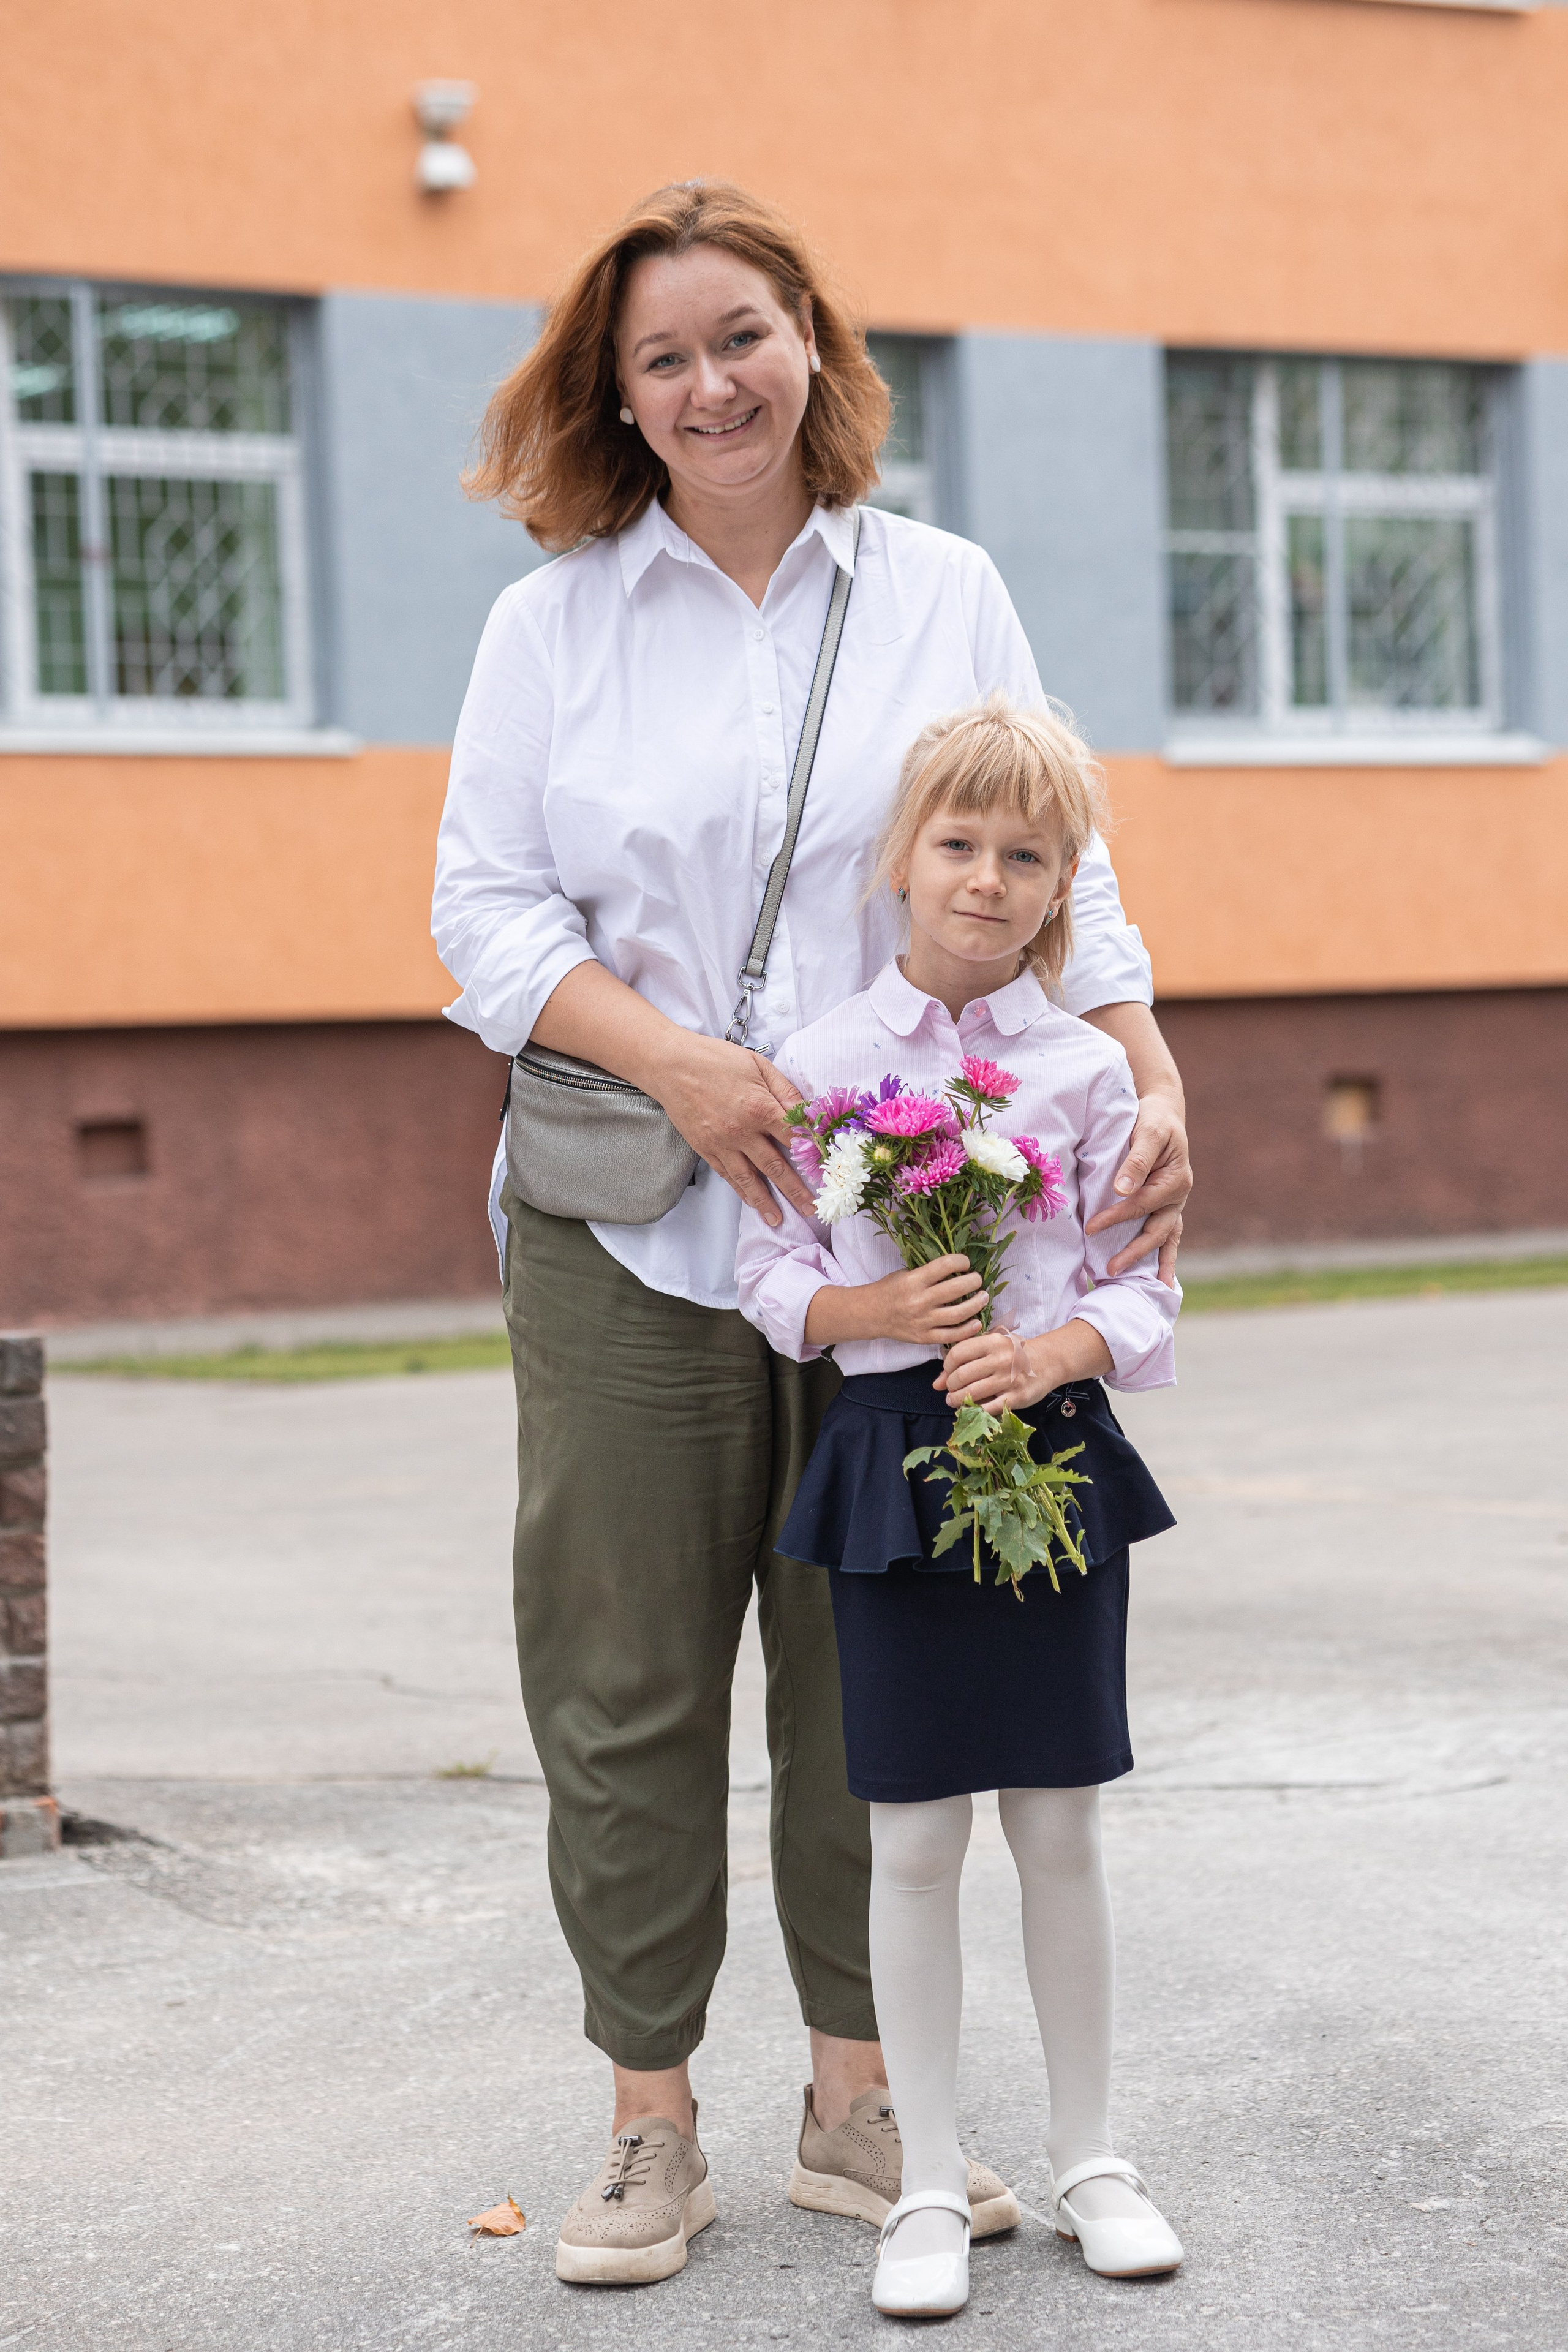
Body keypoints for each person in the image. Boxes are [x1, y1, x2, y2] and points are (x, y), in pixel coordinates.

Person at [431, 179, 1192, 2287]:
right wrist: (679, 1062)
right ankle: (647, 2123)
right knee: (626, 1678)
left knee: (877, 1671)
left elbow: (1067, 860)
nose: (708, 383)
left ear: (814, 346)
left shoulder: (942, 588)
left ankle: (867, 2110)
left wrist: (1152, 1067)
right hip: (641, 1236)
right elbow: (484, 919)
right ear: (620, 393)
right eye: (661, 355)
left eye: (741, 335)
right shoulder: (554, 621)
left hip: (922, 1235)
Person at [736, 697, 1185, 2318]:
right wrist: (876, 1316)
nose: (987, 881)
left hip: (1046, 1458)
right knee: (915, 1833)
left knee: (1058, 1822)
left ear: (1063, 886)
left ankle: (1093, 2158)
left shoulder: (1086, 1071)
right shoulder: (825, 1066)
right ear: (902, 860)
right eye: (959, 847)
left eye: (1025, 857)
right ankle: (925, 2181)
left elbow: (1147, 1299)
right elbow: (770, 1275)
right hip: (890, 1473)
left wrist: (1060, 1341)